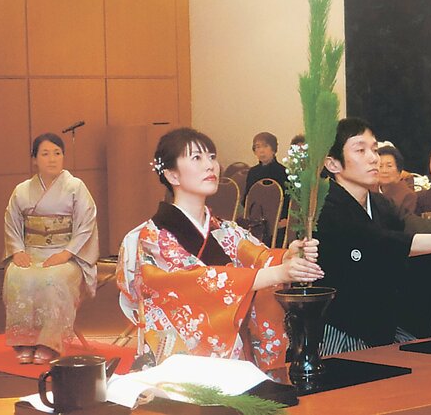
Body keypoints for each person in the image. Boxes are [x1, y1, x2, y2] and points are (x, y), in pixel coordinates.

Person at [116, 128, 323, 370]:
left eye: (212, 157)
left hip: (231, 359)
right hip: (177, 363)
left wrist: (288, 255)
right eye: (197, 158)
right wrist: (278, 273)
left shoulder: (226, 230)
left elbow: (260, 256)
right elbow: (197, 281)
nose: (211, 166)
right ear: (172, 175)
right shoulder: (153, 238)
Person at [315, 118, 431, 354]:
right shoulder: (324, 207)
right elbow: (379, 242)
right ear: (333, 164)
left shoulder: (379, 202)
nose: (373, 158)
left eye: (374, 149)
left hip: (381, 325)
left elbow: (410, 224)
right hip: (339, 326)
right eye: (360, 150)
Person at [3, 133, 99, 365]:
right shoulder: (22, 190)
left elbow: (86, 224)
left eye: (57, 153)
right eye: (45, 154)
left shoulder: (76, 187)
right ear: (34, 159)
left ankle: (50, 342)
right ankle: (24, 340)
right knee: (17, 275)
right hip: (31, 251)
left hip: (67, 254)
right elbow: (11, 222)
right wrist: (17, 251)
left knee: (53, 279)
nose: (52, 159)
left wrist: (66, 253)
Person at [243, 131, 290, 246]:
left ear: (273, 149)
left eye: (265, 146)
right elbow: (246, 199)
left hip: (278, 221)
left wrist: (284, 219)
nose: (261, 151)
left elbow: (288, 200)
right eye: (257, 147)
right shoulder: (252, 172)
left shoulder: (283, 172)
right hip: (256, 222)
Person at [377, 144, 417, 214]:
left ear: (399, 170)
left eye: (389, 166)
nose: (384, 171)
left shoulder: (407, 196)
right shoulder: (370, 191)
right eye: (380, 166)